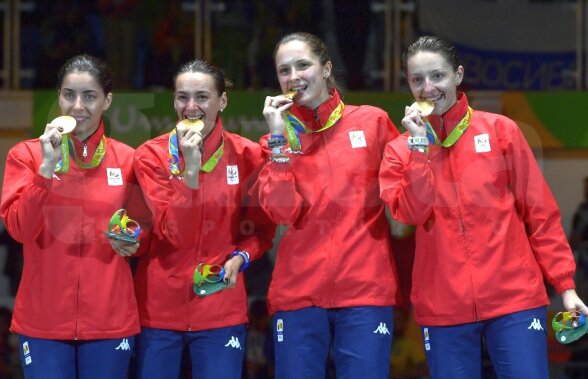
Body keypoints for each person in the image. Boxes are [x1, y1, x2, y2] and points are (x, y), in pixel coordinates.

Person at [379, 35, 588, 379]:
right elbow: (410, 215)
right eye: (417, 79)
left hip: (514, 299)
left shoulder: (501, 131)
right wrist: (419, 148)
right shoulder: (400, 150)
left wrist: (565, 286)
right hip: (443, 306)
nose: (428, 88)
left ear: (458, 75)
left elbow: (541, 215)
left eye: (438, 76)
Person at [254, 31, 400, 379]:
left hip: (365, 291)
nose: (294, 77)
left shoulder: (373, 122)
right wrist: (278, 139)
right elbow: (282, 212)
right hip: (299, 293)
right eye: (284, 70)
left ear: (327, 67)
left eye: (303, 65)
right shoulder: (276, 140)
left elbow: (408, 201)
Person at [0, 54, 150, 378]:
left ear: (107, 100)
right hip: (43, 320)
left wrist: (133, 238)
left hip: (110, 320)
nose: (77, 106)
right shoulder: (26, 155)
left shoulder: (128, 159)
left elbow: (146, 230)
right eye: (69, 94)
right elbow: (20, 230)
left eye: (90, 96)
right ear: (58, 96)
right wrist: (45, 170)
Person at [132, 59, 275, 379]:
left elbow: (263, 230)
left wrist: (241, 257)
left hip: (220, 306)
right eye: (182, 97)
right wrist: (191, 173)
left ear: (222, 101)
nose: (191, 107)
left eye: (202, 97)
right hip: (159, 309)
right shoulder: (150, 156)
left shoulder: (248, 154)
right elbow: (173, 232)